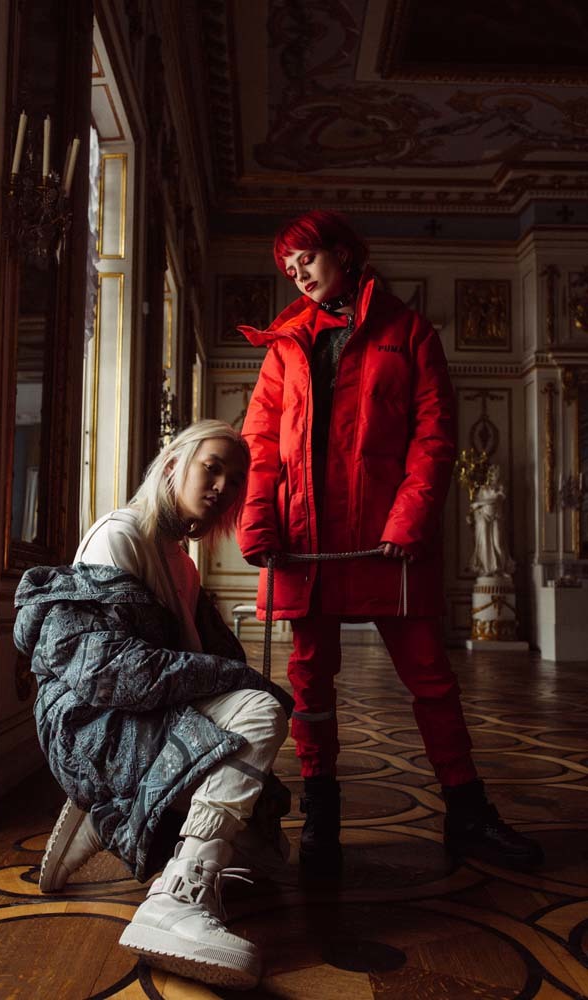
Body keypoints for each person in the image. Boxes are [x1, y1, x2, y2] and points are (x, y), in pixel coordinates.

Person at [236, 210, 543, 879]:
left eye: (307, 258)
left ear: (343, 252)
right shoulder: (283, 347)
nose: (298, 275)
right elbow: (259, 444)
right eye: (288, 268)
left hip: (387, 546)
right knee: (309, 681)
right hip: (304, 543)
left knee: (431, 678)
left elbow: (434, 438)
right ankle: (321, 814)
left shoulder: (410, 334)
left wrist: (407, 523)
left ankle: (467, 813)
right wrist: (257, 519)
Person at [13, 419, 293, 992]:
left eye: (234, 480)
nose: (223, 486)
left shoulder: (182, 564)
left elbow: (198, 665)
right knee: (260, 714)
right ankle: (176, 897)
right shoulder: (120, 534)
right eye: (212, 467)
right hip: (89, 725)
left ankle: (103, 817)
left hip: (141, 716)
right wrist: (243, 679)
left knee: (266, 855)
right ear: (172, 465)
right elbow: (107, 673)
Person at [470, 464, 516, 576]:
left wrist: (479, 504)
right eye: (494, 474)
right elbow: (474, 507)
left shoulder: (501, 488)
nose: (496, 476)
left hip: (496, 517)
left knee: (498, 542)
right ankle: (487, 569)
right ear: (490, 475)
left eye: (497, 474)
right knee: (485, 542)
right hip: (484, 517)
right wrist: (476, 507)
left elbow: (496, 499)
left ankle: (501, 569)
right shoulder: (483, 489)